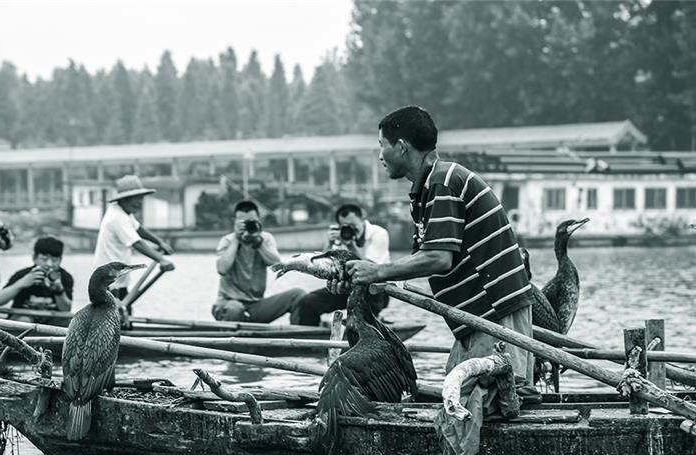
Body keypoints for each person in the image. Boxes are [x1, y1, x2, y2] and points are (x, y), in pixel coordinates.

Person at [333, 106, 534, 388]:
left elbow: (438, 258)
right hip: (477, 317)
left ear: (401, 147)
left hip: (495, 313)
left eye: (382, 145)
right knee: (465, 397)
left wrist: (376, 272)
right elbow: (420, 259)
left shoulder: (443, 183)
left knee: (483, 400)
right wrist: (361, 275)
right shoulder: (426, 190)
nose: (379, 155)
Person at [291, 203, 391, 325]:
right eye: (345, 226)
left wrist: (351, 246)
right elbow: (325, 266)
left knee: (357, 320)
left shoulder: (379, 233)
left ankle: (364, 323)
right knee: (307, 303)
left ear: (362, 218)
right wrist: (329, 244)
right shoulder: (341, 237)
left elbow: (369, 270)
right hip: (348, 286)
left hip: (374, 291)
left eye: (353, 225)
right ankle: (313, 333)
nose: (350, 229)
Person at [213, 200, 305, 323]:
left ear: (259, 220)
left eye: (251, 221)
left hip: (255, 305)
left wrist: (258, 243)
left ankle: (299, 331)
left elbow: (277, 265)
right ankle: (230, 333)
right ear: (234, 221)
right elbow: (222, 269)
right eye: (243, 222)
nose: (247, 225)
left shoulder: (265, 239)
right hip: (228, 303)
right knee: (235, 309)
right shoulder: (227, 241)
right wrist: (236, 239)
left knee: (298, 295)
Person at [93, 175, 175, 311]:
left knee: (125, 312)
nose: (140, 202)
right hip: (108, 280)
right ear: (125, 199)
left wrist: (159, 242)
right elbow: (137, 243)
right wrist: (161, 259)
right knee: (115, 315)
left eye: (141, 198)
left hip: (118, 278)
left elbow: (138, 229)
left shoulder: (124, 213)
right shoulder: (117, 217)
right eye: (137, 198)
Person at [0, 236, 74, 326]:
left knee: (69, 324)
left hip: (52, 319)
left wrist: (59, 290)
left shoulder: (64, 277)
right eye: (44, 259)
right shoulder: (22, 274)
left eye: (54, 260)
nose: (49, 264)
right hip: (23, 318)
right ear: (34, 258)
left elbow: (66, 310)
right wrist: (22, 283)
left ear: (60, 260)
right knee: (24, 320)